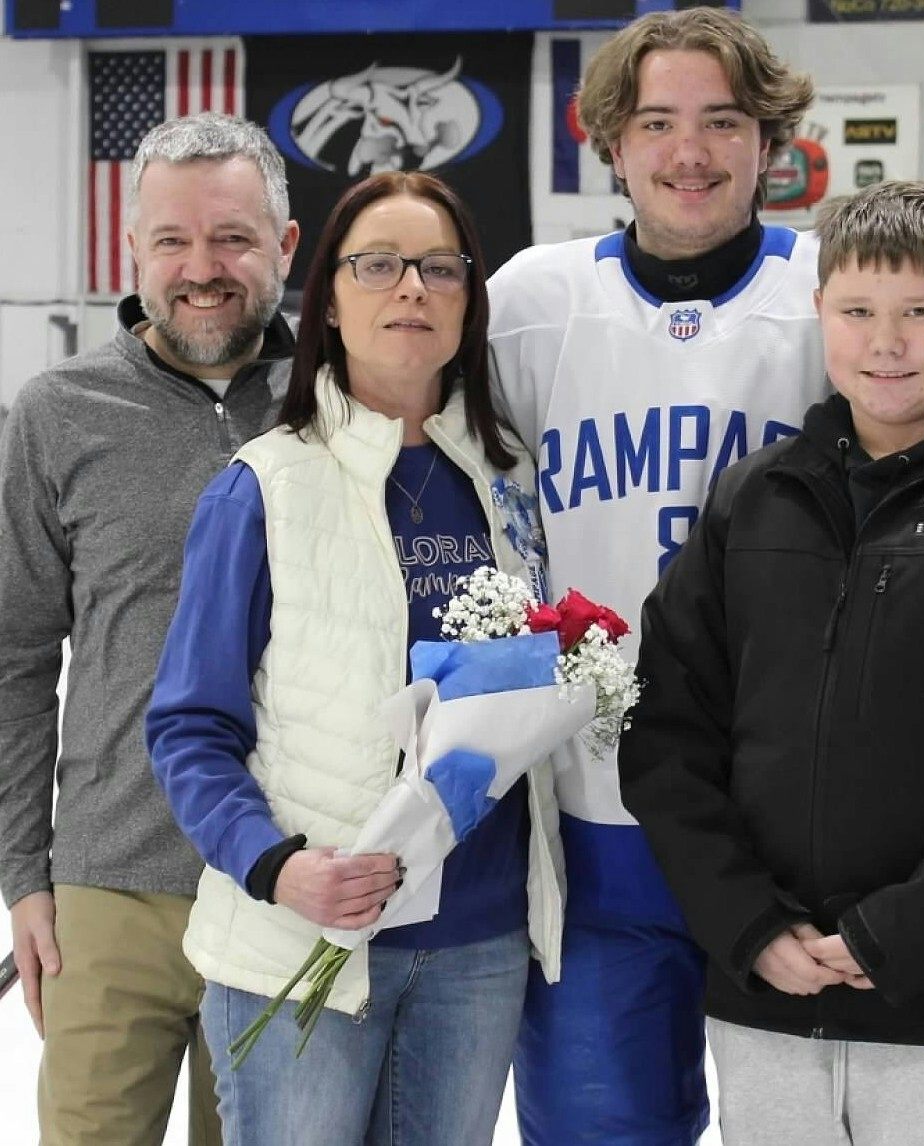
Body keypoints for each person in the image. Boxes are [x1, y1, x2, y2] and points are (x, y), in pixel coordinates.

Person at [487, 9, 924, 1144]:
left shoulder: (830, 283)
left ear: (768, 140)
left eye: (721, 121)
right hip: (603, 806)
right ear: (609, 138)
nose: (688, 150)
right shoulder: (528, 303)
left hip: (800, 827)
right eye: (657, 122)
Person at [618, 179, 924, 1145]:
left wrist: (901, 935)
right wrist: (747, 925)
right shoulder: (752, 500)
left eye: (921, 313)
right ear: (820, 314)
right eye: (857, 311)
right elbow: (666, 732)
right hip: (771, 1004)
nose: (886, 342)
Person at [145, 171, 564, 1146]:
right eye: (378, 266)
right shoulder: (265, 488)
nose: (410, 289)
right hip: (304, 948)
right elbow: (189, 729)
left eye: (439, 268)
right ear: (328, 297)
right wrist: (277, 868)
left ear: (470, 299)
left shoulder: (509, 482)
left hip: (479, 947)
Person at [0, 111, 299, 1145]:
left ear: (286, 246)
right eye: (171, 240)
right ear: (132, 250)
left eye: (232, 238)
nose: (200, 268)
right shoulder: (56, 413)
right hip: (109, 885)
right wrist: (24, 878)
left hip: (286, 877)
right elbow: (17, 659)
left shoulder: (338, 402)